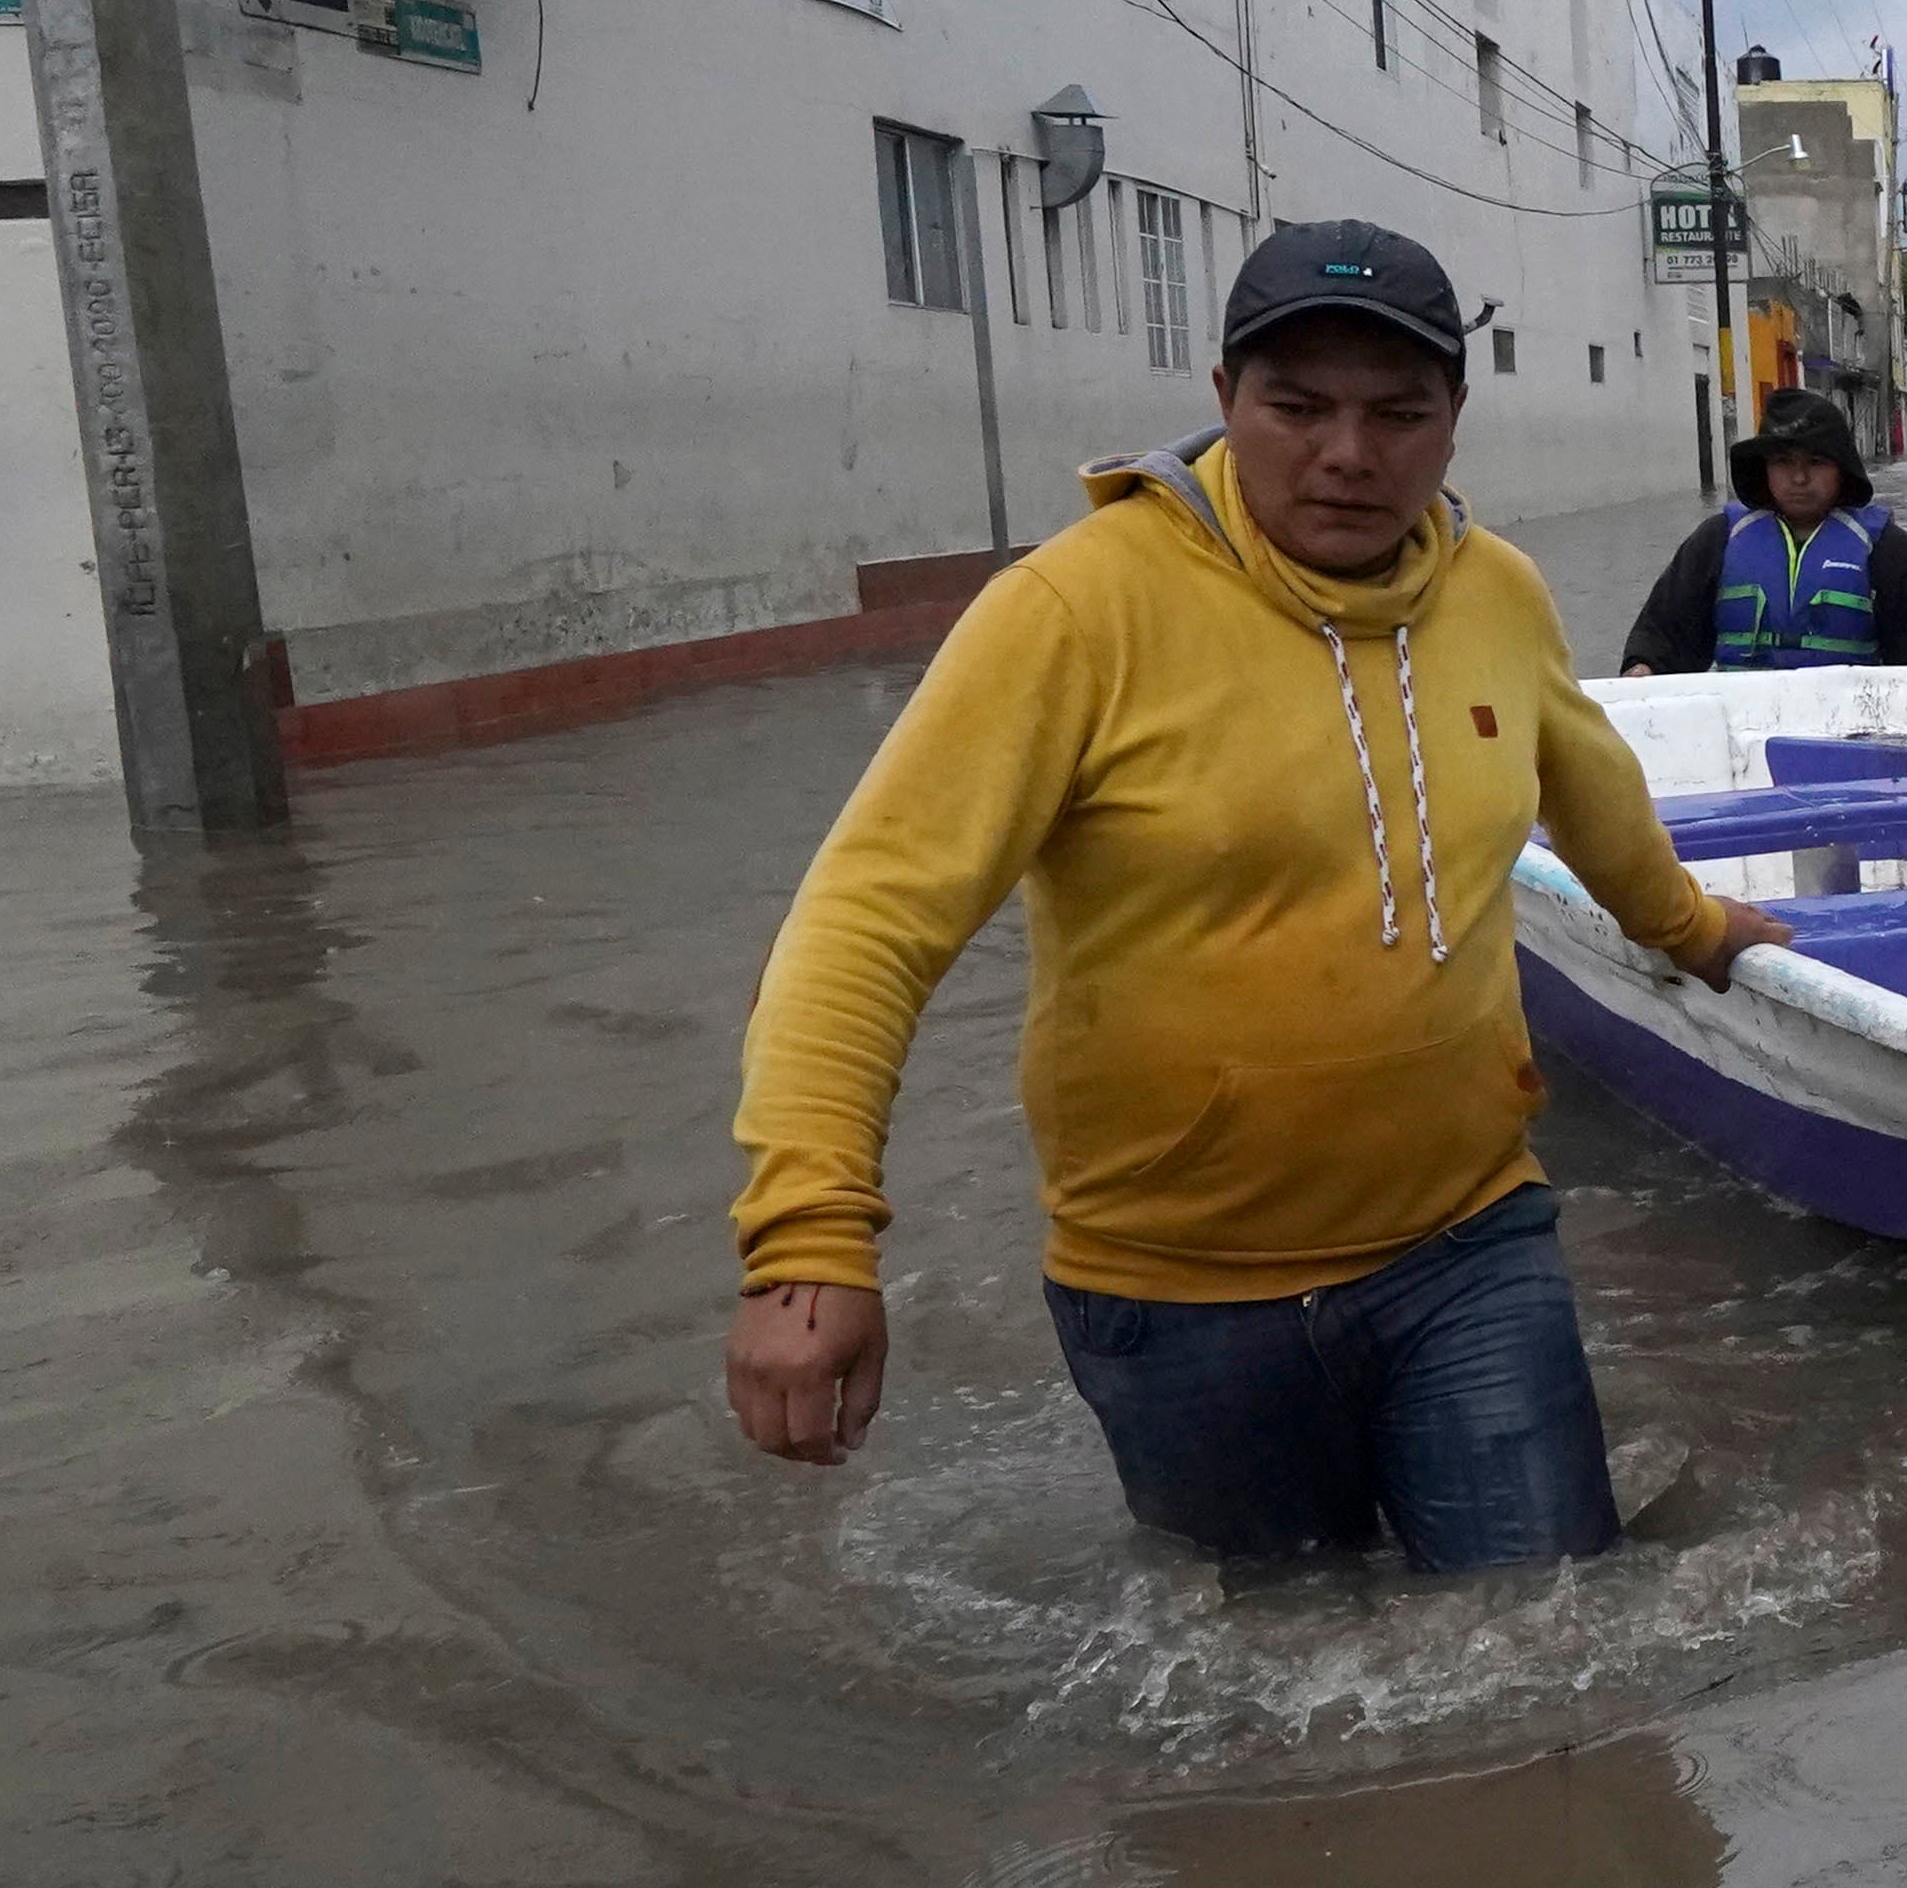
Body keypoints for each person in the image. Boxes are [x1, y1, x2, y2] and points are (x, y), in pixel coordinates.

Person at [721, 217, 1788, 1567]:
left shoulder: (1496, 592)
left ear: (1453, 420)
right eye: (1299, 407)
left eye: (1398, 412)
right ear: (1225, 398)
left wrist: (1693, 931)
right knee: (1277, 1689)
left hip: (1470, 1242)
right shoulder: (1073, 611)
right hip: (1177, 1299)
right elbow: (867, 920)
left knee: (1556, 1623)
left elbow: (1587, 787)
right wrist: (808, 1237)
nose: (1349, 452)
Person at [1617, 383, 1907, 675]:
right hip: (1742, 728)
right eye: (1783, 462)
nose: (1799, 478)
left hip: (1849, 733)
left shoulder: (1886, 547)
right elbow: (1660, 637)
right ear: (1763, 470)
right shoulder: (1717, 539)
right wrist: (1643, 668)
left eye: (1816, 462)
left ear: (1842, 470)